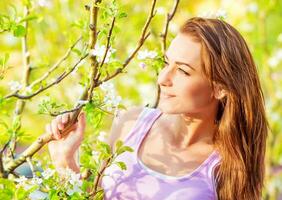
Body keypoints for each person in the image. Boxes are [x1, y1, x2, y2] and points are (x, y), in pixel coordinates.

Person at [46, 17, 268, 200]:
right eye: (166, 63)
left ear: (220, 88)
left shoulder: (229, 166)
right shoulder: (130, 125)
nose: (163, 78)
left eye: (182, 71)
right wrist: (65, 161)